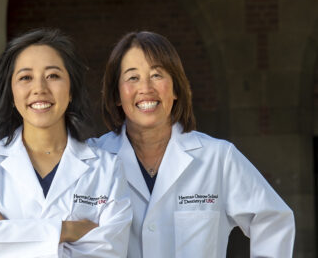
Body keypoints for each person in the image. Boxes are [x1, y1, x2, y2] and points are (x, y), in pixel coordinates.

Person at [90, 31, 295, 257]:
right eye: (132, 77)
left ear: (176, 88)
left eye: (157, 75)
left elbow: (273, 219)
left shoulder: (218, 158)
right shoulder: (91, 161)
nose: (145, 88)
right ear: (117, 94)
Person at [0, 28, 133, 257]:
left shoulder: (107, 169)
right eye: (25, 77)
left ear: (71, 90)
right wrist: (68, 229)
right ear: (11, 91)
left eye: (53, 76)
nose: (39, 89)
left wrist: (8, 233)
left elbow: (110, 251)